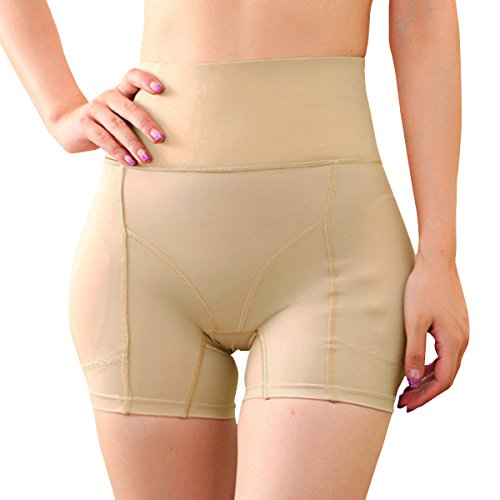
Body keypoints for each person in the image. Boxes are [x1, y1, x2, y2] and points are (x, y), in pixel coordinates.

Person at [0, 0, 469, 498]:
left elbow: (423, 16)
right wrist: (62, 111)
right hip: (146, 253)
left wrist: (439, 257)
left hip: (333, 254)